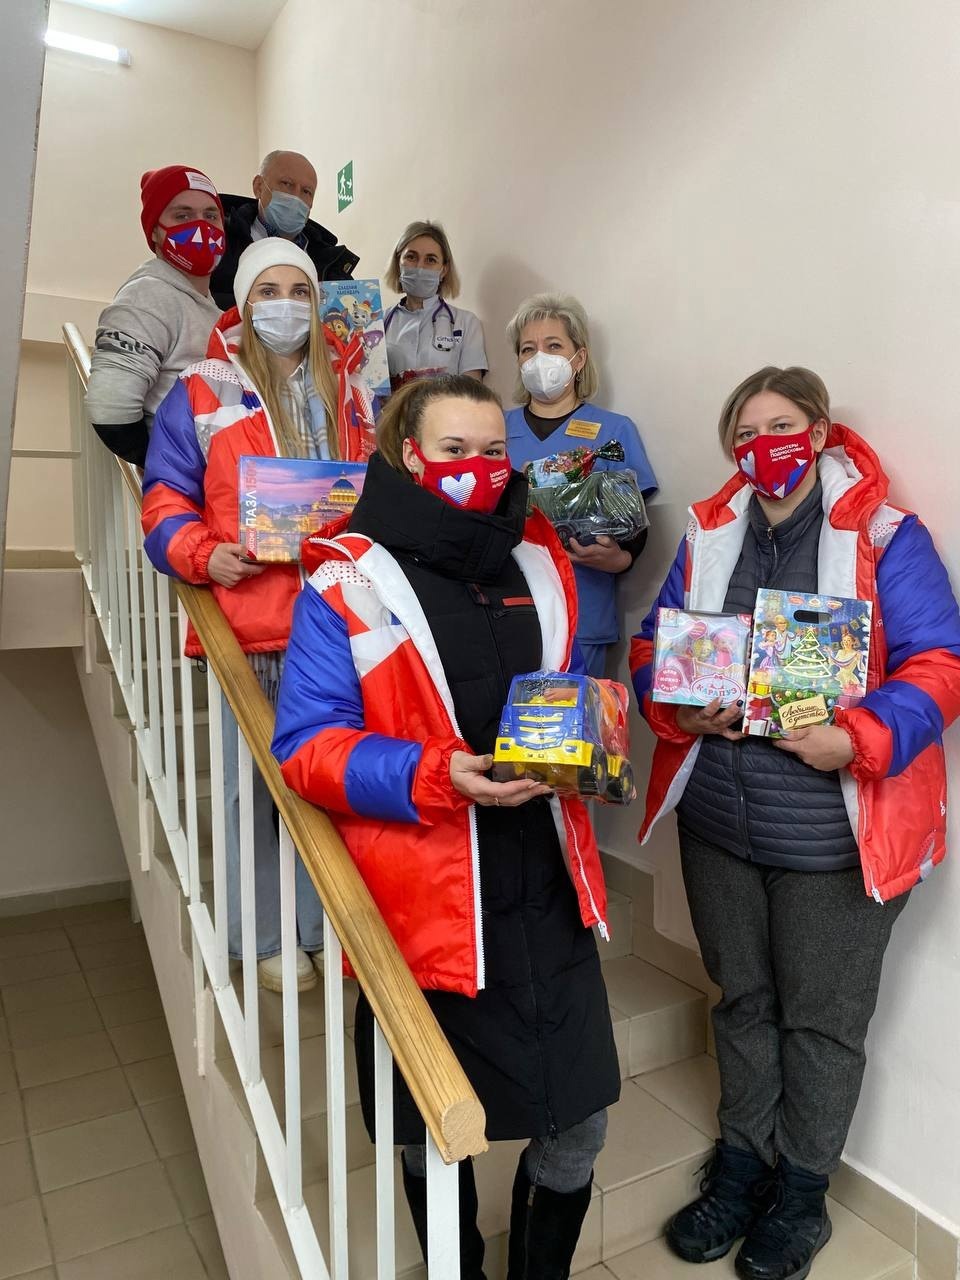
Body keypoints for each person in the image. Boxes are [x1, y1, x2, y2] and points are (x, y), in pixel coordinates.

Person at [271, 374, 621, 1279]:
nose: (477, 467)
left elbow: (560, 691)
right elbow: (307, 748)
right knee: (434, 1131)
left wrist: (591, 739)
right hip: (428, 910)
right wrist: (436, 775)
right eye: (453, 450)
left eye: (493, 450)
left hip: (549, 885)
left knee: (579, 1122)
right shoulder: (347, 574)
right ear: (407, 455)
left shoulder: (541, 555)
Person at [630, 366, 960, 1280]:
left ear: (817, 432)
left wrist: (855, 738)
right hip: (718, 823)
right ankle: (742, 1164)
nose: (761, 446)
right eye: (744, 432)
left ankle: (802, 1193)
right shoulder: (711, 531)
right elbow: (656, 643)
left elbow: (940, 664)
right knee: (741, 1001)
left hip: (832, 838)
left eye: (780, 426)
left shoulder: (885, 535)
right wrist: (677, 704)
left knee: (821, 1024)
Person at [141, 237, 346, 994]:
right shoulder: (203, 389)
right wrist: (203, 555)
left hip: (336, 625)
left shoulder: (348, 388)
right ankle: (262, 938)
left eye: (299, 291)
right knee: (249, 789)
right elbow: (163, 498)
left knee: (327, 782)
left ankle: (324, 924)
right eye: (268, 291)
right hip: (251, 624)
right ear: (243, 301)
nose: (285, 306)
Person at [504, 294, 658, 678]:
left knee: (578, 715)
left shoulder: (613, 430)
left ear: (579, 358)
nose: (539, 358)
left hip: (583, 614)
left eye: (553, 346)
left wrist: (620, 559)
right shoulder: (494, 428)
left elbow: (635, 523)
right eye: (528, 349)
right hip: (506, 610)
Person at [86, 165, 225, 467]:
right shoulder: (148, 295)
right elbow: (110, 409)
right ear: (155, 232)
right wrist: (169, 470)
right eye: (183, 216)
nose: (201, 227)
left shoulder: (206, 306)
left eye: (211, 215)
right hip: (190, 483)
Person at [211, 149, 358, 309]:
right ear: (259, 187)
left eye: (306, 191)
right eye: (287, 184)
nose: (296, 197)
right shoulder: (218, 245)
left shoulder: (332, 265)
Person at [383, 220, 487, 390]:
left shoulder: (466, 323)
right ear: (398, 262)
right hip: (392, 408)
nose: (419, 267)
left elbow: (472, 392)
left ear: (443, 270)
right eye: (411, 257)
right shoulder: (379, 322)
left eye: (430, 260)